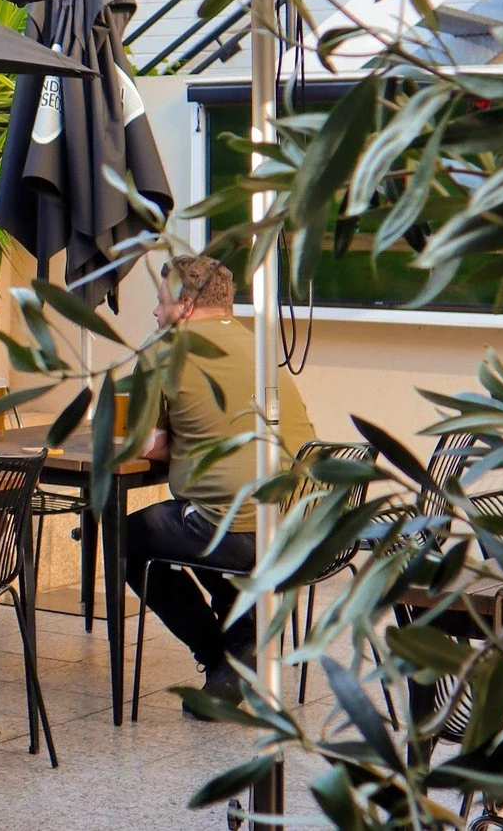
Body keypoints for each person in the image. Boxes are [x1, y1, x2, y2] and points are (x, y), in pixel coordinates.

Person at [127, 254, 314, 719]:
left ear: (186, 306)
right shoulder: (261, 349)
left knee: (123, 538)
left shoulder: (163, 352)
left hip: (236, 528)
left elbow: (148, 446)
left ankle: (221, 660)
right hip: (301, 524)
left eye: (160, 301)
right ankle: (242, 647)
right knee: (205, 519)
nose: (154, 312)